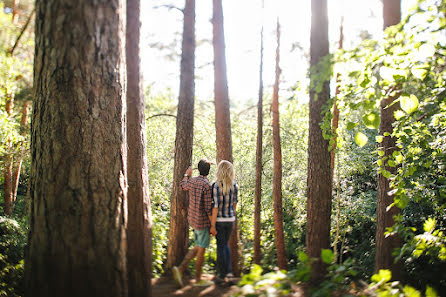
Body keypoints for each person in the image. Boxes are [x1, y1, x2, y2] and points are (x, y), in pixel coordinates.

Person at [172, 159, 215, 287]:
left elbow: (183, 185)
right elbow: (208, 208)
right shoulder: (207, 185)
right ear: (208, 171)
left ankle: (182, 270)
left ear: (199, 169)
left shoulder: (193, 181)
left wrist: (187, 174)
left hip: (193, 219)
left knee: (198, 246)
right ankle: (195, 278)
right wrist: (212, 225)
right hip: (202, 222)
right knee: (201, 250)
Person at [210, 160, 238, 285]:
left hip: (220, 220)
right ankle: (229, 274)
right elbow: (234, 205)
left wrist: (212, 225)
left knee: (221, 247)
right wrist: (232, 216)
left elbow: (215, 207)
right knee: (225, 245)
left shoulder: (216, 186)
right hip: (230, 219)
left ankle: (222, 275)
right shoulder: (234, 185)